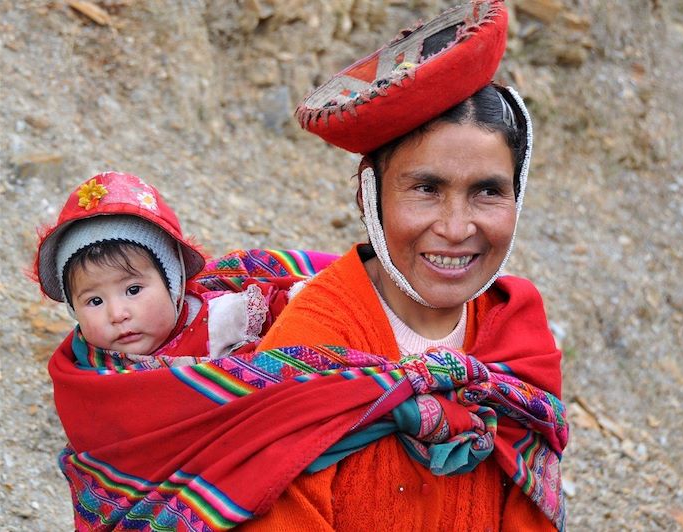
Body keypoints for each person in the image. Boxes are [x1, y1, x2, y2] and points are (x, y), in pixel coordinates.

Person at [244, 0, 567, 529]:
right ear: (369, 197)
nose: (457, 227)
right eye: (426, 189)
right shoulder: (311, 345)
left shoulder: (517, 331)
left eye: (488, 192)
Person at [34, 171, 276, 370]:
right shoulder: (84, 369)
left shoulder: (226, 322)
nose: (118, 314)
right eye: (95, 301)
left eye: (133, 289)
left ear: (173, 285)